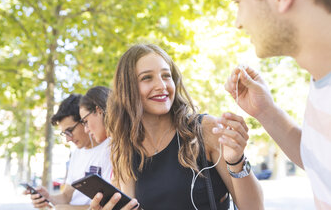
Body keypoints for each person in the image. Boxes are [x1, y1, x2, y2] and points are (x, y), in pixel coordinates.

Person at [221, 0, 331, 209]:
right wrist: (267, 112)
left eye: (238, 2)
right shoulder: (323, 79)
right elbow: (322, 161)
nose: (237, 22)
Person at [89, 44, 264, 210]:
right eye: (147, 78)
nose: (162, 85)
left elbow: (254, 208)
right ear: (127, 89)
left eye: (166, 76)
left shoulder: (204, 129)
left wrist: (237, 161)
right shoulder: (125, 149)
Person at [26, 94, 97, 210]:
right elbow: (66, 196)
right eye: (65, 133)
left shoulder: (113, 149)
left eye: (69, 131)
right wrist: (48, 198)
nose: (68, 139)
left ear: (84, 120)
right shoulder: (77, 154)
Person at [79, 86, 112, 181]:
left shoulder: (126, 146)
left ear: (99, 111)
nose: (86, 130)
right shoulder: (115, 146)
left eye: (86, 121)